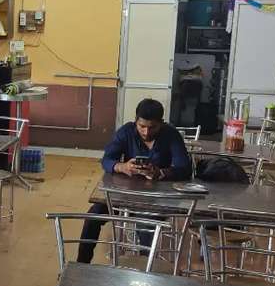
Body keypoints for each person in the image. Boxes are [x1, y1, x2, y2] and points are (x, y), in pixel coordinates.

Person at [77, 98, 192, 264]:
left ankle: (145, 271)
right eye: (142, 126)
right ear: (135, 121)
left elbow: (185, 169)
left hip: (157, 199)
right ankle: (81, 264)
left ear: (162, 123)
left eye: (152, 127)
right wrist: (122, 166)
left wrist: (160, 173)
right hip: (125, 196)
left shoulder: (171, 135)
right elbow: (106, 160)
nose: (146, 132)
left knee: (145, 226)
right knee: (92, 217)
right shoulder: (126, 132)